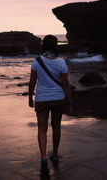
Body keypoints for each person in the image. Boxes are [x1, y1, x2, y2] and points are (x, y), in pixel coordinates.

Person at [28, 35, 72, 175]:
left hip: (41, 99)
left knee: (42, 129)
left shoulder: (36, 62)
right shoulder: (61, 63)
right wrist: (69, 102)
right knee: (56, 126)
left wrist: (30, 96)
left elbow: (32, 82)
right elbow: (66, 85)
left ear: (44, 45)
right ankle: (55, 154)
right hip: (58, 98)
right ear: (55, 46)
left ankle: (43, 157)